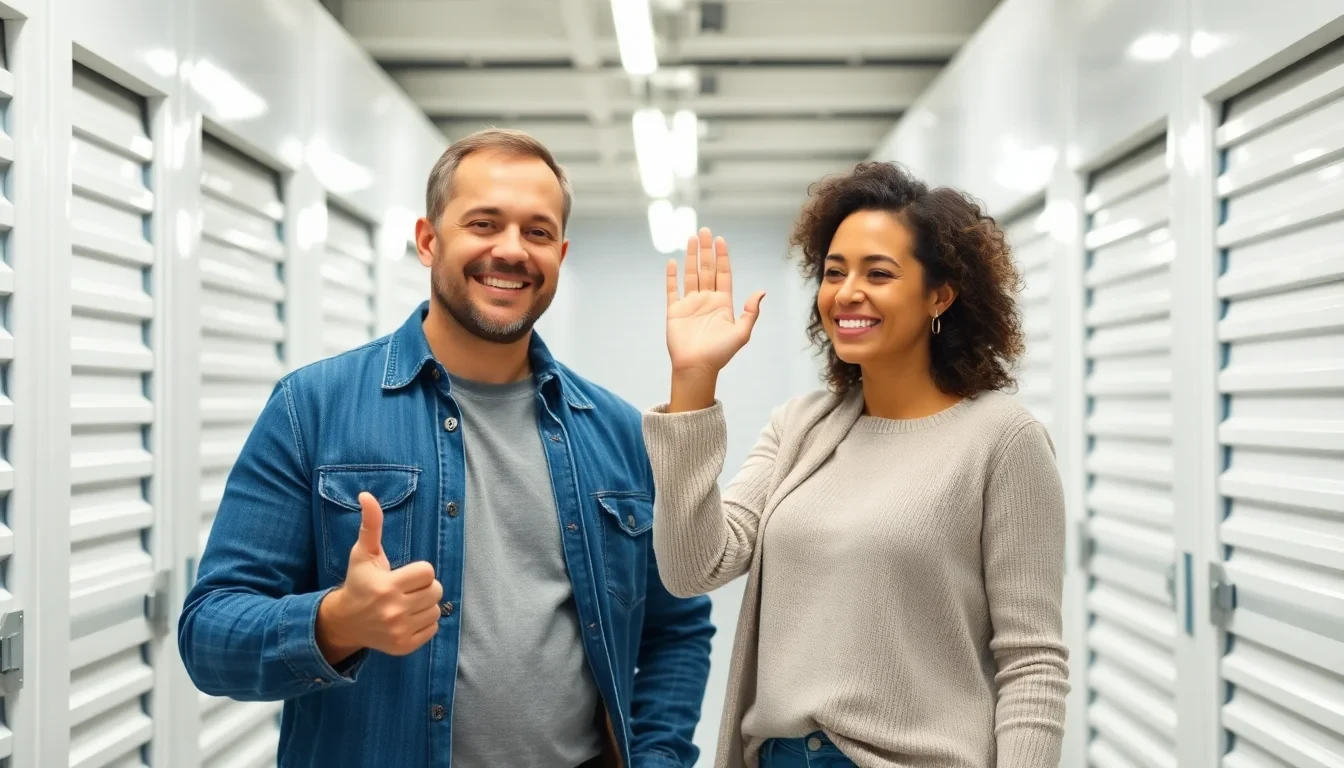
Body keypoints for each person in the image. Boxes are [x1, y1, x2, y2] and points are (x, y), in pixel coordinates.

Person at [178, 128, 715, 768]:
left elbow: (677, 628)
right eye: (484, 223)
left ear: (560, 253)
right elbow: (209, 634)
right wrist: (336, 622)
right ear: (429, 240)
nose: (511, 250)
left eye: (537, 232)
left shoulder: (620, 432)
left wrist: (657, 759)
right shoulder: (313, 408)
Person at [642, 161, 1070, 768]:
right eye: (834, 271)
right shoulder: (800, 427)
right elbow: (693, 566)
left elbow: (1032, 661)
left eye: (879, 273)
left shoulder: (1002, 440)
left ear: (940, 295)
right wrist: (694, 379)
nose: (847, 292)